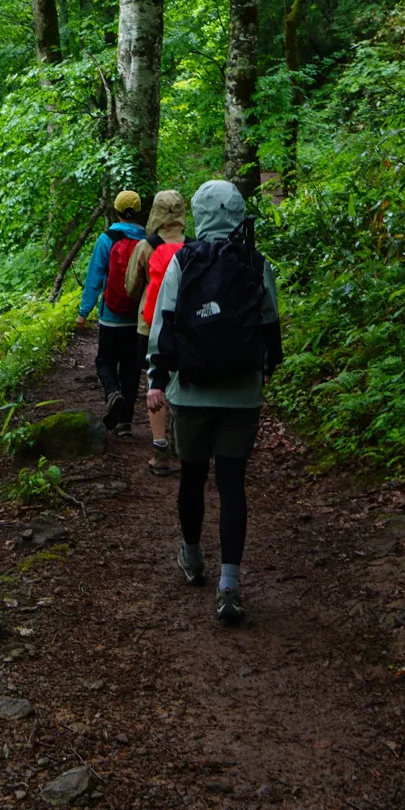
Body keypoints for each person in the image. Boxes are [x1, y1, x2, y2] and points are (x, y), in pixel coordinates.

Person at [146, 179, 282, 625]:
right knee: (232, 484)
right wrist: (264, 369)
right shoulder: (256, 261)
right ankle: (229, 584)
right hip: (242, 392)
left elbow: (165, 323)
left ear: (200, 216)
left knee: (192, 475)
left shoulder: (184, 260)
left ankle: (192, 556)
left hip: (193, 390)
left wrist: (158, 378)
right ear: (240, 213)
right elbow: (270, 324)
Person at [124, 188, 188, 475]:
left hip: (149, 325)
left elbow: (130, 287)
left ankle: (159, 451)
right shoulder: (194, 245)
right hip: (186, 326)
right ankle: (183, 440)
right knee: (182, 381)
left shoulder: (146, 246)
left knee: (154, 383)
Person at [77, 189, 146, 432]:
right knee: (131, 366)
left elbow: (94, 277)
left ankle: (113, 392)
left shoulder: (106, 239)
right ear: (138, 212)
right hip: (137, 319)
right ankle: (125, 422)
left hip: (110, 318)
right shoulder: (146, 240)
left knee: (105, 361)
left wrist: (83, 311)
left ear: (115, 211)